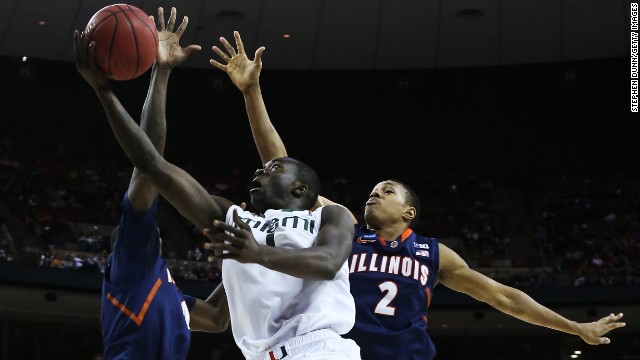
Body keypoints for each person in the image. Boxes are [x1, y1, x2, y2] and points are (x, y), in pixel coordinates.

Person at [208, 31, 627, 360]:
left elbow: (505, 298)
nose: (373, 195)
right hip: (336, 354)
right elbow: (284, 169)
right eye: (372, 191)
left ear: (409, 211)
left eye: (385, 191)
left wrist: (574, 328)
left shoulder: (433, 254)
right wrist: (251, 93)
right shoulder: (345, 230)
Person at [74, 14, 361, 360]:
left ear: (300, 190)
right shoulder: (235, 221)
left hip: (320, 349)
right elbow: (152, 165)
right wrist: (115, 87)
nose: (259, 171)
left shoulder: (330, 217)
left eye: (272, 168)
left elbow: (329, 262)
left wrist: (257, 254)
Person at [78, 8, 227, 359]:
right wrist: (158, 72)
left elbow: (219, 318)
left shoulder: (148, 273)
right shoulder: (133, 265)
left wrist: (243, 261)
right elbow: (150, 164)